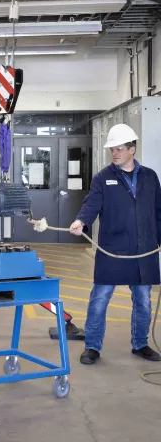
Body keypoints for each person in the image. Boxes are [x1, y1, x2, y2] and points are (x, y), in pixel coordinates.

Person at [70, 123, 161, 365]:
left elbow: (158, 212)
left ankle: (140, 343)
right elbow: (91, 204)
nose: (115, 153)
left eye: (119, 149)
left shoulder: (151, 177)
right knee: (100, 298)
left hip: (144, 250)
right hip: (112, 249)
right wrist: (82, 221)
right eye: (112, 149)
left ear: (132, 149)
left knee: (142, 300)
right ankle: (92, 346)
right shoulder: (103, 178)